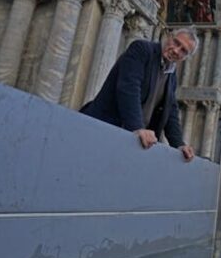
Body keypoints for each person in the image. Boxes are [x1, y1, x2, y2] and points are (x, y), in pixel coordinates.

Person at [80, 29, 198, 161]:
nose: (176, 50)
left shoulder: (172, 76)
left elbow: (170, 111)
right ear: (169, 36)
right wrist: (137, 127)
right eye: (176, 43)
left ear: (186, 57)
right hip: (103, 128)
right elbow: (129, 87)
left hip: (129, 141)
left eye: (183, 51)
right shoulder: (142, 49)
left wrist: (179, 145)